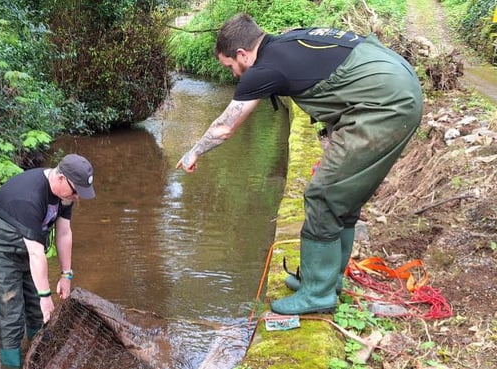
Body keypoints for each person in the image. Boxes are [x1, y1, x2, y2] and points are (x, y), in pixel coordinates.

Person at [176, 13, 423, 315]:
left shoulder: (263, 69)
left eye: (231, 67)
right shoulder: (289, 42)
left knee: (323, 197)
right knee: (341, 196)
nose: (235, 76)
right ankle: (327, 280)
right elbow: (342, 88)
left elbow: (224, 127)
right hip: (397, 83)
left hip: (386, 104)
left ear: (242, 54)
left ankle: (317, 294)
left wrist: (194, 152)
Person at [0, 154, 96, 368]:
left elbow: (64, 233)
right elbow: (37, 254)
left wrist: (66, 275)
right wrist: (46, 296)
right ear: (60, 178)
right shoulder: (29, 196)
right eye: (76, 191)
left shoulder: (64, 194)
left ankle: (38, 352)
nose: (77, 197)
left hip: (26, 247)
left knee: (36, 307)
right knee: (11, 311)